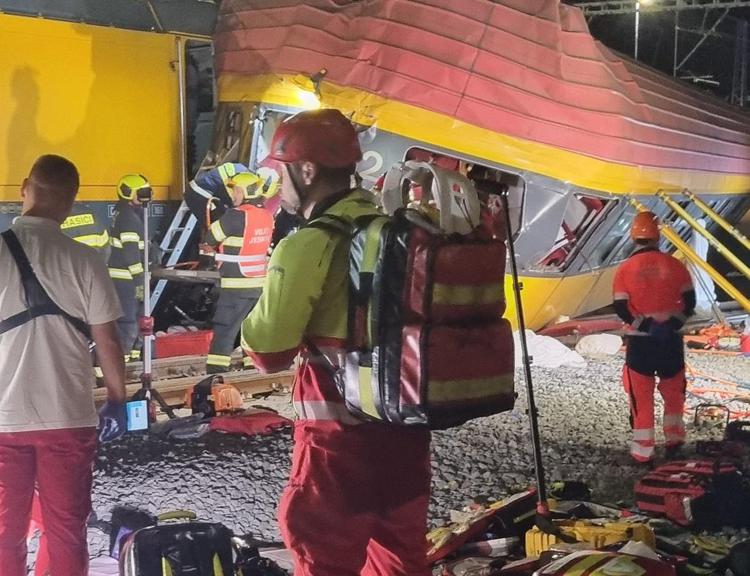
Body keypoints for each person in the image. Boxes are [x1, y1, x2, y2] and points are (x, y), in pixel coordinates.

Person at [241, 109, 432, 575]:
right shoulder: (396, 233)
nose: (278, 186)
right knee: (398, 563)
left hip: (337, 446)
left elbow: (267, 352)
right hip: (407, 440)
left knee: (321, 554)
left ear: (306, 171)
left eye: (281, 173)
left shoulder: (308, 243)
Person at [0, 154, 126, 576]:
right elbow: (108, 340)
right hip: (68, 418)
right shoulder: (86, 260)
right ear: (72, 204)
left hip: (3, 420)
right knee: (66, 531)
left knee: (4, 533)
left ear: (24, 187)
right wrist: (116, 398)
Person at [613, 211, 695, 464]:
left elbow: (620, 306)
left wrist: (644, 324)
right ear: (658, 236)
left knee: (641, 395)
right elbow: (690, 301)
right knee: (673, 392)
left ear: (633, 236)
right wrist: (671, 323)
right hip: (670, 340)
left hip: (641, 342)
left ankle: (643, 452)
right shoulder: (675, 265)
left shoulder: (625, 269)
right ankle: (674, 441)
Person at [202, 172, 274, 373]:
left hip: (236, 285)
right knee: (250, 329)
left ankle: (216, 370)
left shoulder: (236, 215)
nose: (233, 194)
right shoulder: (266, 216)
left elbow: (212, 236)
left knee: (225, 328)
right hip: (258, 284)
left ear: (245, 192)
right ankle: (251, 366)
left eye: (236, 190)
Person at [108, 174, 149, 362]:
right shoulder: (128, 218)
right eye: (141, 193)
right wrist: (140, 280)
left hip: (124, 277)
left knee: (137, 318)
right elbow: (131, 253)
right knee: (128, 322)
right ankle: (121, 361)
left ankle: (132, 357)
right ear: (128, 193)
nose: (145, 197)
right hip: (126, 279)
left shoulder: (124, 214)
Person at [185, 162, 250, 224]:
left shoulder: (241, 171)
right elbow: (235, 201)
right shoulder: (238, 181)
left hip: (199, 189)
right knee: (217, 224)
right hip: (198, 194)